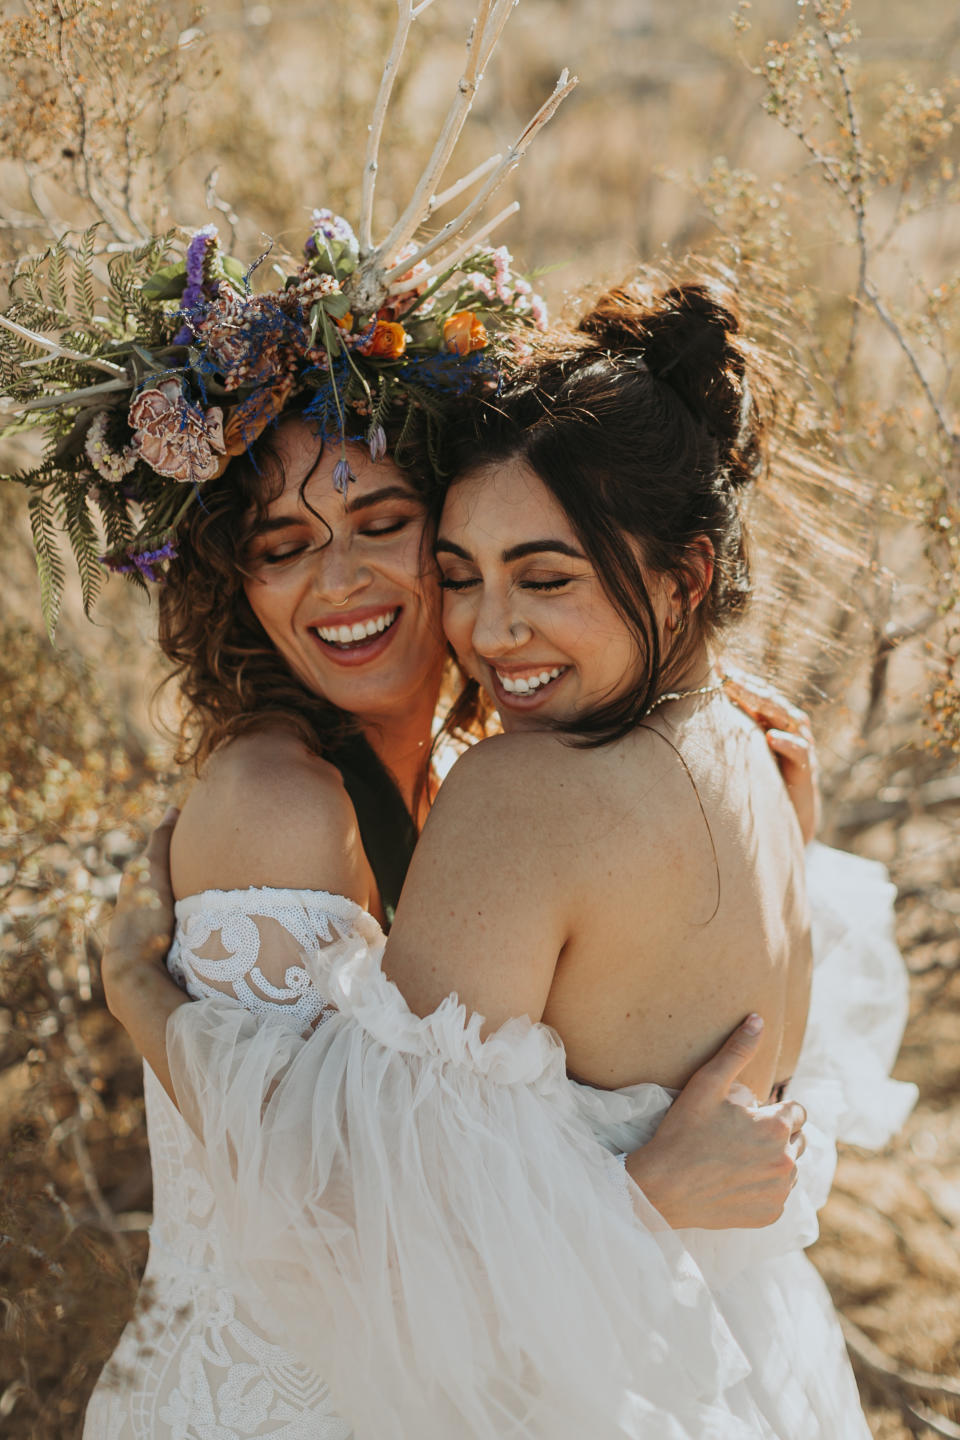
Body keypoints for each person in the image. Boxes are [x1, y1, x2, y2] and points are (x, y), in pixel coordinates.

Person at [101, 281, 916, 1439]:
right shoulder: (735, 753)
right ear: (230, 579)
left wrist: (143, 998)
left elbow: (369, 1226)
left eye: (386, 526)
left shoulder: (518, 782)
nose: (488, 630)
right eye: (284, 545)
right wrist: (647, 1203)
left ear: (685, 578)